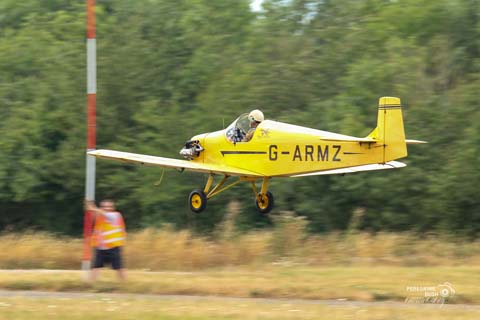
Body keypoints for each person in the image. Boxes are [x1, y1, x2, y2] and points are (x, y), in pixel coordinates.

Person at [85, 199, 127, 281]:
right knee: (95, 267)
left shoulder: (115, 215)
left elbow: (102, 213)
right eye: (104, 207)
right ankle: (90, 284)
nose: (106, 208)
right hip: (101, 247)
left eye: (109, 206)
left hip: (113, 246)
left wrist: (93, 208)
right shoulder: (100, 217)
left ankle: (125, 284)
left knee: (119, 267)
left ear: (113, 207)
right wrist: (90, 207)